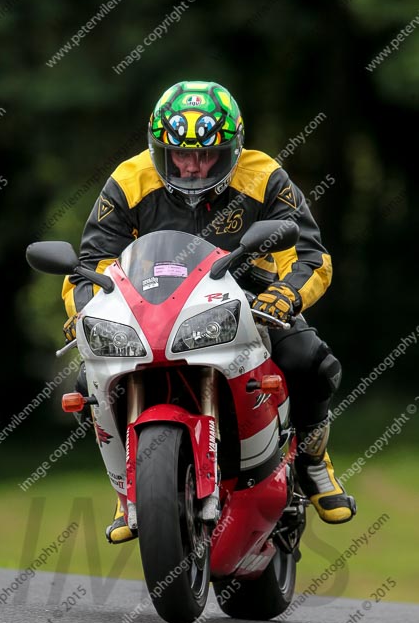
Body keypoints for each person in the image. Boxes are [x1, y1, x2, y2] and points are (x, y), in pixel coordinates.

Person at [61, 80, 356, 543]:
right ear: (160, 149)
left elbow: (309, 255)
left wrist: (284, 296)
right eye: (180, 154)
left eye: (208, 155)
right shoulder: (129, 179)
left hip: (249, 303)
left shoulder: (264, 176)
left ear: (233, 148)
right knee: (90, 383)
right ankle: (126, 487)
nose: (193, 166)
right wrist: (85, 309)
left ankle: (315, 462)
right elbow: (88, 266)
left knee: (308, 358)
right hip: (153, 308)